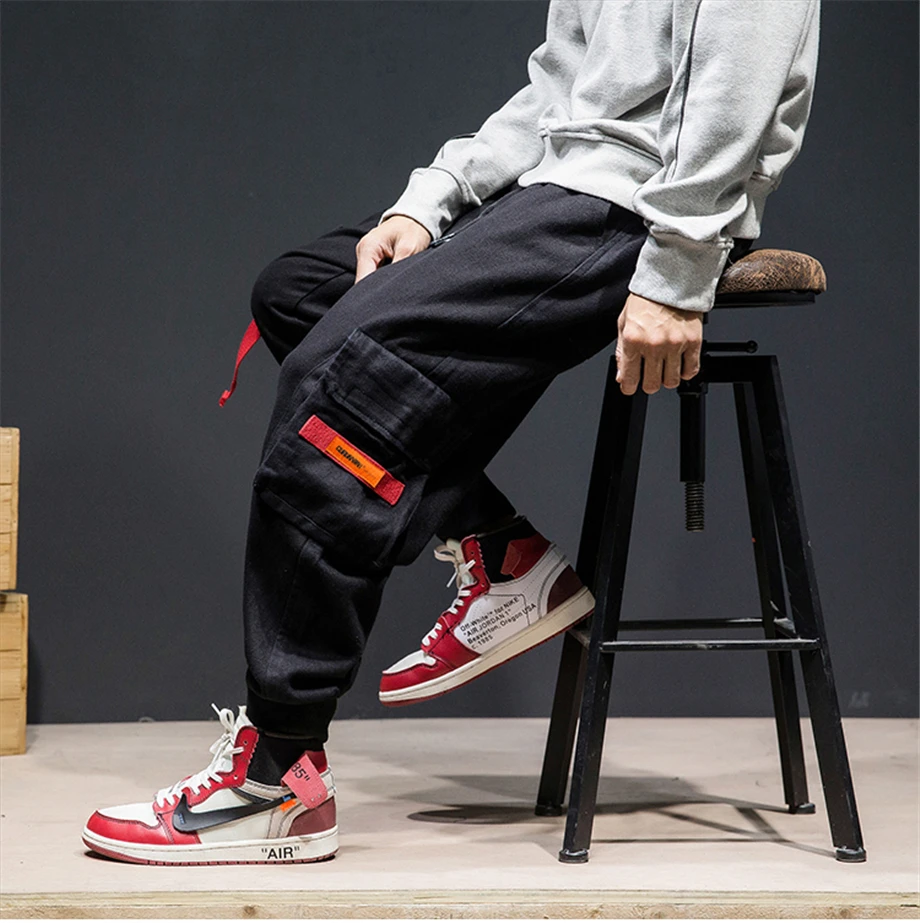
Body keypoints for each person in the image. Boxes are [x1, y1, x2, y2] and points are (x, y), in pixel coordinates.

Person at [82, 0, 820, 865]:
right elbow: (558, 94)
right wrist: (430, 203)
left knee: (334, 376)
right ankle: (502, 551)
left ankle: (278, 775)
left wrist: (677, 270)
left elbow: (734, 99)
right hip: (554, 189)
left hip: (631, 212)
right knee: (300, 292)